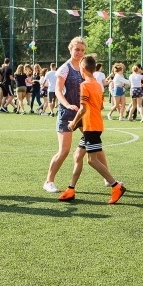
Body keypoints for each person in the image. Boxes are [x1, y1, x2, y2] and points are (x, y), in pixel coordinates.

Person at [58, 55, 126, 204]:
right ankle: (70, 189)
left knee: (92, 160)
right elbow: (100, 106)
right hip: (94, 124)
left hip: (91, 127)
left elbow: (83, 108)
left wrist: (73, 123)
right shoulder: (97, 85)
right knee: (77, 156)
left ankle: (116, 185)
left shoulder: (85, 85)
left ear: (82, 69)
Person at [43, 38, 95, 193]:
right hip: (67, 114)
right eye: (77, 49)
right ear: (70, 49)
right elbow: (58, 91)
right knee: (64, 151)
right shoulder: (64, 68)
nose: (79, 52)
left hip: (83, 113)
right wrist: (67, 105)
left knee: (95, 145)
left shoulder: (84, 67)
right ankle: (49, 181)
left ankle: (108, 179)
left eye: (82, 50)